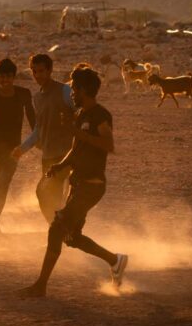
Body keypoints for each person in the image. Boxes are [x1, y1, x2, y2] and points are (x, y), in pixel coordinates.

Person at [19, 63, 128, 297]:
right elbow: (76, 148)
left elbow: (108, 145)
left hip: (92, 186)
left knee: (56, 229)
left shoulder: (100, 115)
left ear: (85, 90)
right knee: (72, 238)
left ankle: (40, 286)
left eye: (75, 90)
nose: (72, 94)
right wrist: (61, 165)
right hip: (78, 183)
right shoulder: (80, 115)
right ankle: (115, 260)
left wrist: (77, 132)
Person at [12, 53, 74, 223]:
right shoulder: (37, 98)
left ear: (50, 70)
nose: (38, 75)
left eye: (41, 71)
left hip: (66, 154)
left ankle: (58, 229)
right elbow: (39, 129)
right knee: (49, 196)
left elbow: (80, 113)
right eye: (34, 71)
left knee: (44, 191)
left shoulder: (65, 91)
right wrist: (22, 149)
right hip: (48, 156)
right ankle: (58, 228)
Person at [0, 58, 36, 237]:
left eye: (9, 76)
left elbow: (32, 119)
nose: (5, 80)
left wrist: (37, 138)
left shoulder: (23, 93)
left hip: (13, 150)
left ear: (14, 76)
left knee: (2, 185)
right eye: (2, 77)